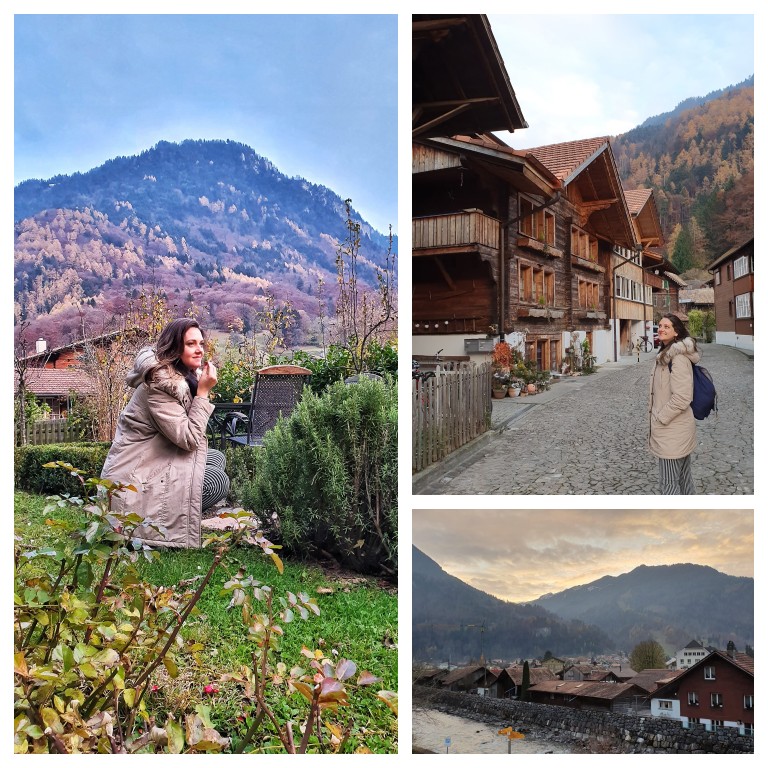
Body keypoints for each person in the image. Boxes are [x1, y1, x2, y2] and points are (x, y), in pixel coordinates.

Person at [101, 318, 230, 547]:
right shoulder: (160, 385)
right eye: (191, 344)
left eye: (201, 343)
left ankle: (180, 515)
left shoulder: (178, 377)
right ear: (175, 347)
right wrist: (202, 394)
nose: (199, 349)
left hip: (153, 463)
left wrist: (198, 388)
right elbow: (189, 439)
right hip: (132, 483)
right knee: (217, 481)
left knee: (216, 458)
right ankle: (158, 529)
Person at [648, 313, 700, 494]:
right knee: (685, 481)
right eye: (660, 325)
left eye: (666, 327)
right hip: (676, 431)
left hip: (672, 432)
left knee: (669, 486)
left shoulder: (677, 358)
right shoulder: (665, 354)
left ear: (676, 332)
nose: (661, 329)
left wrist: (661, 418)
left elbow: (683, 397)